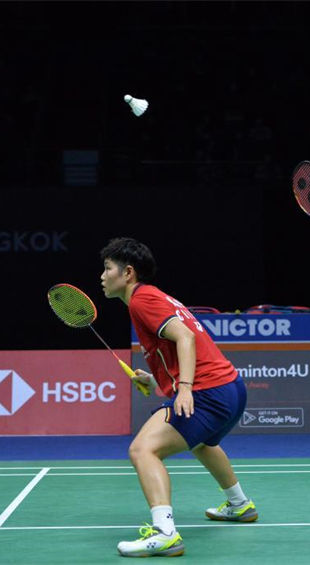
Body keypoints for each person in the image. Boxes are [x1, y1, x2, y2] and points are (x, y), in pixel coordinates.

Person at [100, 237, 257, 558]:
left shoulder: (142, 300)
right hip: (230, 388)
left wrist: (185, 388)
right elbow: (176, 345)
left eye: (107, 269)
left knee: (143, 450)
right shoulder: (154, 298)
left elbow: (185, 337)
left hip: (207, 391)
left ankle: (165, 533)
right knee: (202, 443)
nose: (101, 276)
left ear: (128, 273)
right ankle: (240, 504)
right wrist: (154, 378)